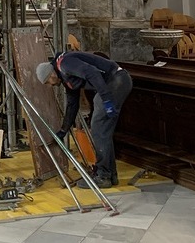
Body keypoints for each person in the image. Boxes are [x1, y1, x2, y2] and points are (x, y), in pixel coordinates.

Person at [36, 50, 133, 188]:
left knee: (98, 129)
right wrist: (63, 130)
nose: (50, 85)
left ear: (51, 74)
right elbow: (72, 104)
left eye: (48, 82)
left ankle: (103, 176)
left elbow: (92, 72)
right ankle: (110, 175)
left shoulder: (65, 63)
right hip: (116, 81)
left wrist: (106, 99)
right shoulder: (65, 76)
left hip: (115, 80)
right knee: (103, 132)